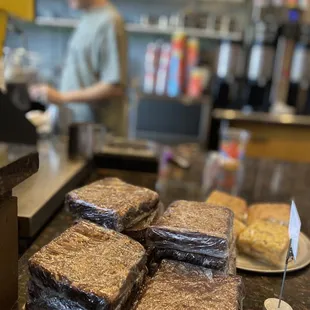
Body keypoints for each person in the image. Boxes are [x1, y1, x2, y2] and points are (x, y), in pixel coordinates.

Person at [29, 0, 127, 136]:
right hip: (79, 131)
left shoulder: (110, 21)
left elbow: (113, 87)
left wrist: (61, 97)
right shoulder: (88, 17)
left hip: (96, 136)